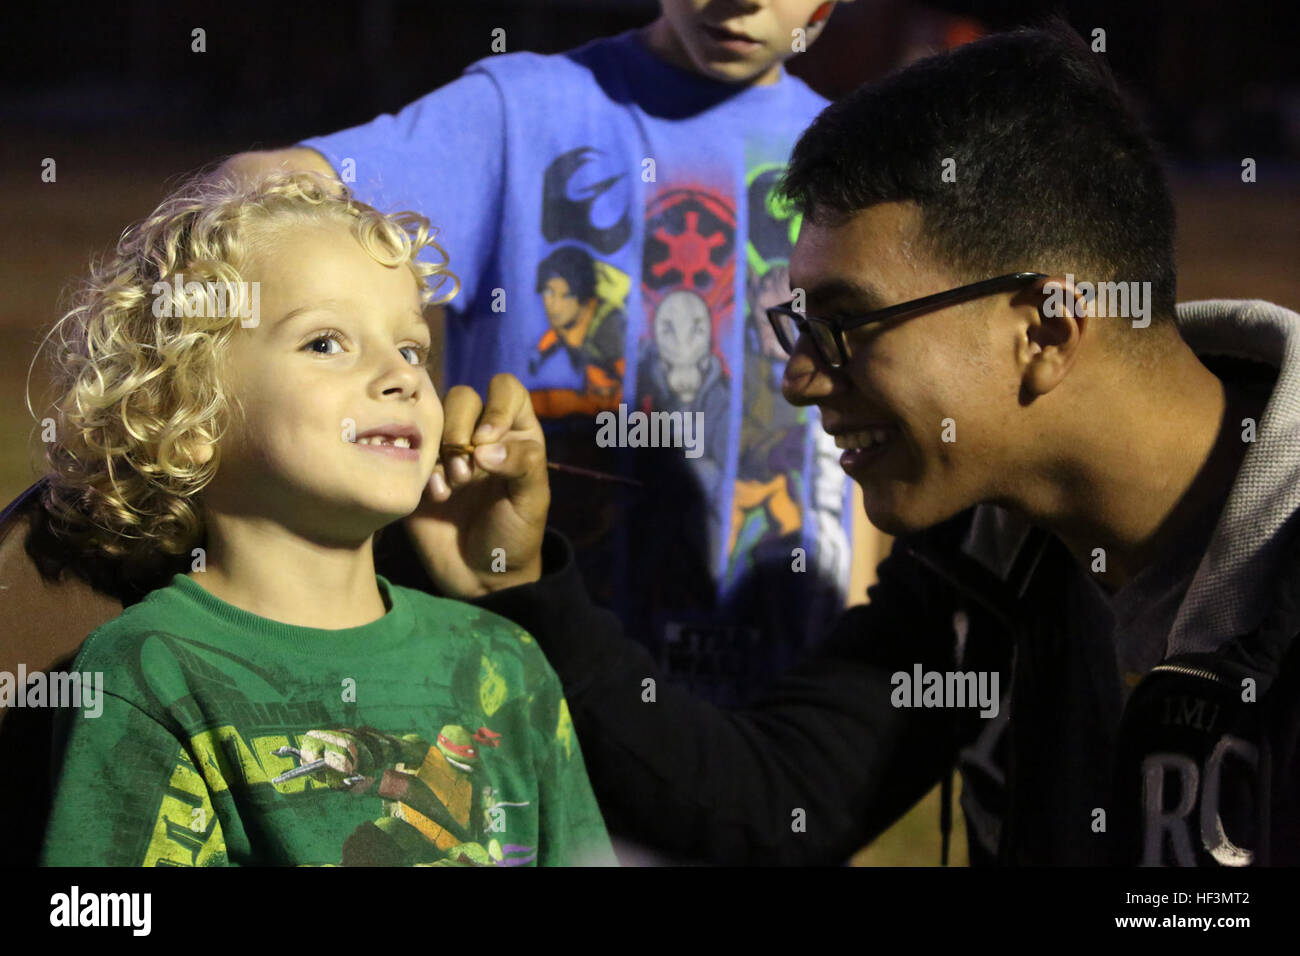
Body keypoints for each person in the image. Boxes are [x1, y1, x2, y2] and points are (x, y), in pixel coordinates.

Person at [453, 22, 1300, 865]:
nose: (801, 379)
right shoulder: (978, 550)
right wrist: (524, 587)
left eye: (848, 324)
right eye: (799, 327)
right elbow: (781, 801)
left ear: (1045, 329)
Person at [220, 0, 859, 709]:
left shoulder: (851, 156)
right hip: (527, 678)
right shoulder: (521, 114)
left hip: (771, 694)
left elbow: (862, 440)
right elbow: (254, 190)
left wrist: (850, 651)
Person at [36, 171, 615, 867]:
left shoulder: (505, 664)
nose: (402, 376)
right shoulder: (151, 673)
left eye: (411, 349)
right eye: (325, 343)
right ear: (189, 416)